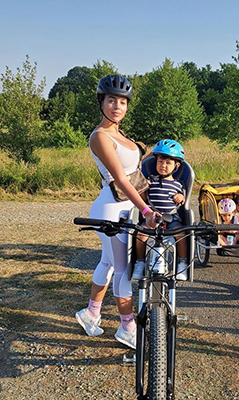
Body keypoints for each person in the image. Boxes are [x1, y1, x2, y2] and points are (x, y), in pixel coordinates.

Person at [75, 74, 160, 350]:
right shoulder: (99, 136)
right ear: (102, 102)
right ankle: (127, 328)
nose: (117, 106)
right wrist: (146, 209)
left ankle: (90, 313)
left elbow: (134, 172)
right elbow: (121, 179)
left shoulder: (121, 134)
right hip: (112, 209)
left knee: (108, 263)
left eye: (122, 102)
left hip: (127, 206)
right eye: (112, 100)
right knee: (122, 269)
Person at [132, 139, 189, 281]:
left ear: (176, 165)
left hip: (171, 219)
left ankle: (182, 262)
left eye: (168, 163)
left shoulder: (178, 184)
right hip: (152, 218)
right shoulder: (151, 181)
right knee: (141, 235)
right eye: (160, 162)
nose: (163, 165)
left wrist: (180, 197)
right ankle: (140, 262)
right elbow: (143, 199)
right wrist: (144, 188)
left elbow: (183, 199)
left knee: (181, 234)